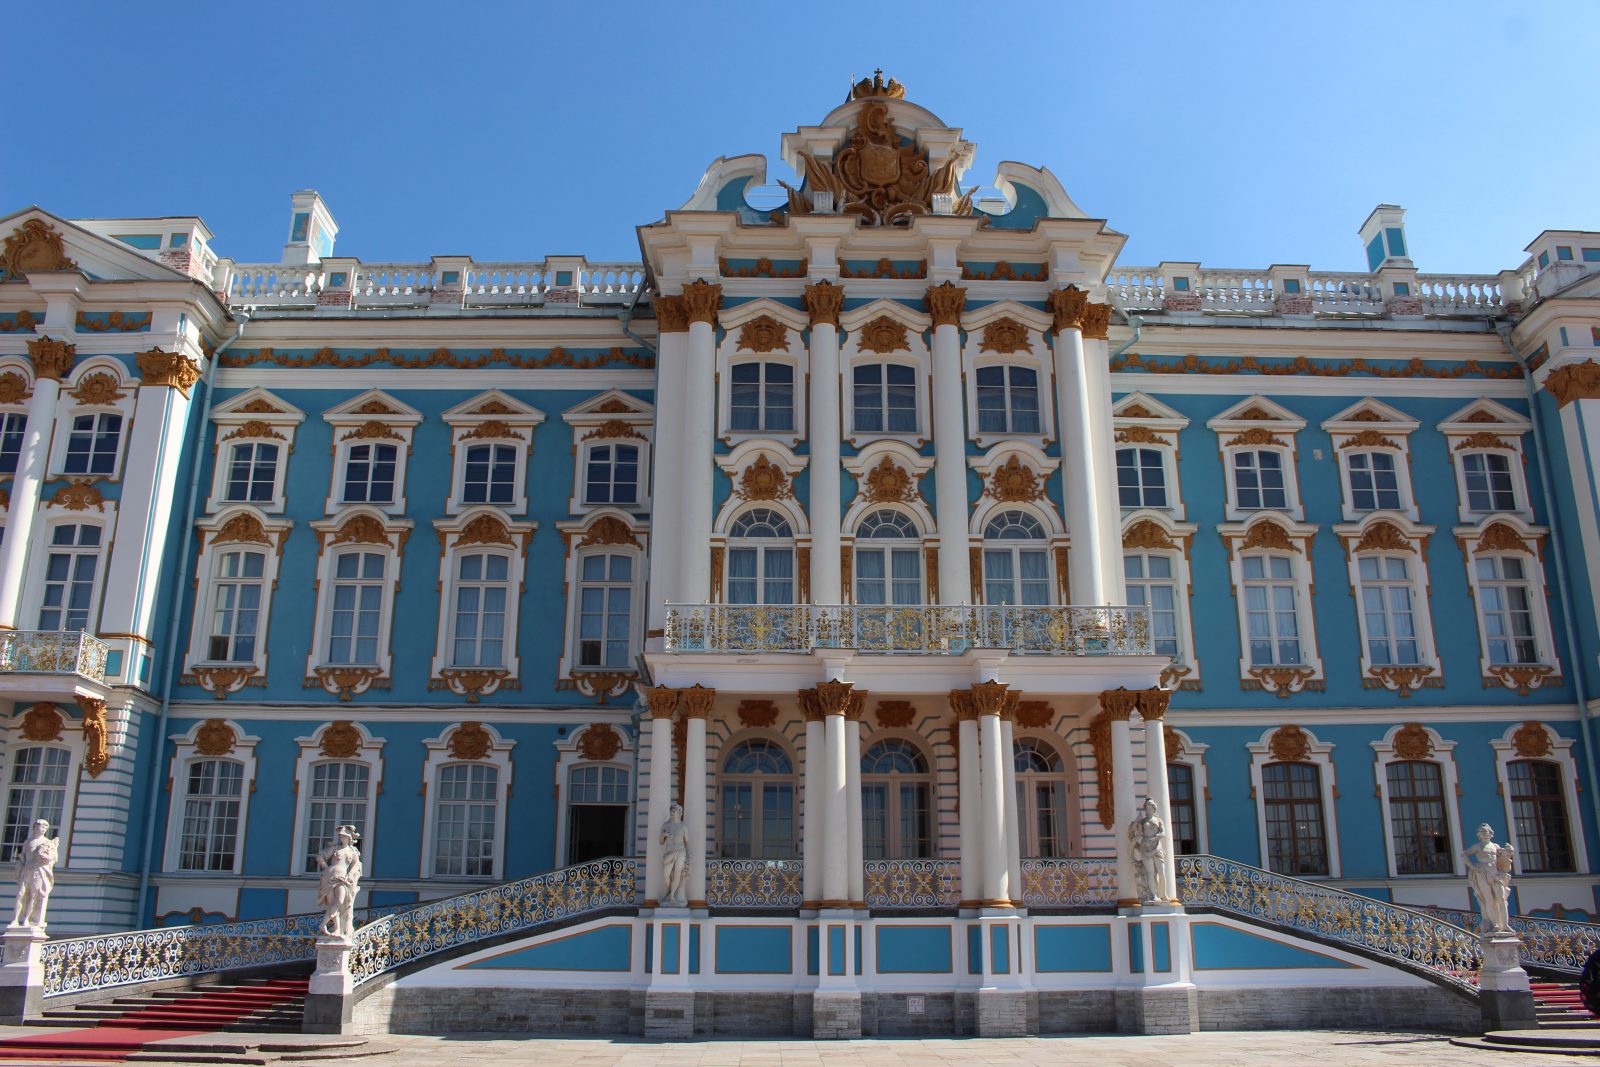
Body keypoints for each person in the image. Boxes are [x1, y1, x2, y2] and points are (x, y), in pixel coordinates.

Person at [1463, 823, 1515, 935]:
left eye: (1485, 831)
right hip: (1482, 874)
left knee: (1501, 899)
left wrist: (1509, 853)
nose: (1483, 833)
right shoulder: (1477, 846)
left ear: (1490, 833)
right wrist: (1473, 867)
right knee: (1489, 899)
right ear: (1479, 835)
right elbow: (1464, 855)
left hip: (1495, 875)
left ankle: (1504, 925)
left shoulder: (1496, 847)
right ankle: (1495, 924)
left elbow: (1504, 862)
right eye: (1481, 831)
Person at [315, 825, 363, 940]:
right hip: (329, 877)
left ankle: (323, 924)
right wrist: (325, 867)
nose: (342, 838)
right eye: (341, 836)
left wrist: (351, 874)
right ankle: (337, 929)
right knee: (333, 903)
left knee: (340, 901)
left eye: (345, 836)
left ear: (349, 838)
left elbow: (357, 864)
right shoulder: (335, 848)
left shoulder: (353, 851)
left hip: (343, 879)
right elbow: (320, 856)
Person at [11, 820, 57, 929]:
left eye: (46, 828)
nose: (44, 829)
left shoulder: (47, 842)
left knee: (33, 896)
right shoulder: (28, 842)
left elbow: (53, 858)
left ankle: (26, 919)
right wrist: (20, 864)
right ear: (35, 827)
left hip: (38, 871)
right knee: (20, 894)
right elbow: (23, 856)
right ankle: (15, 919)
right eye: (42, 826)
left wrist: (47, 859)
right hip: (26, 871)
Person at [1128, 797, 1168, 903]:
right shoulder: (1143, 821)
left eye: (1150, 807)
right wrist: (1137, 820)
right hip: (1145, 847)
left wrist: (1154, 839)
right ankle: (1154, 895)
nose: (1148, 809)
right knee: (1150, 873)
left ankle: (1163, 894)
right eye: (1147, 807)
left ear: (1154, 808)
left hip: (1157, 847)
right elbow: (1133, 830)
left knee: (1161, 872)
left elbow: (1163, 833)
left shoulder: (1159, 821)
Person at [660, 802, 689, 907]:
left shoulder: (683, 826)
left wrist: (688, 858)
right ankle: (668, 893)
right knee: (665, 875)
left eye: (675, 810)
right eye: (672, 810)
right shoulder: (666, 825)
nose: (672, 812)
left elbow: (687, 842)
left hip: (680, 851)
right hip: (669, 852)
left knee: (677, 874)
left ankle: (672, 895)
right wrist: (663, 835)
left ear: (680, 813)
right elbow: (661, 841)